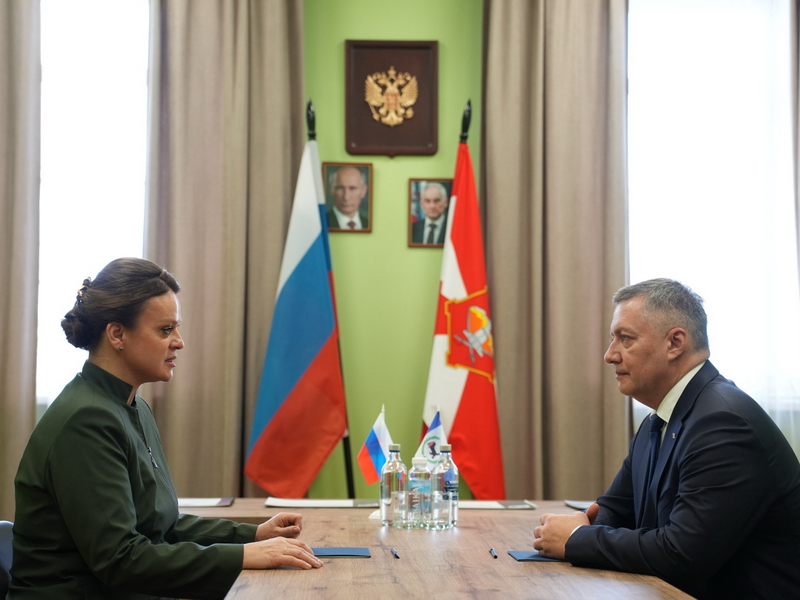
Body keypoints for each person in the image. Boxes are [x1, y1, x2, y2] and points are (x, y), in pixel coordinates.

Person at [11, 258, 322, 599]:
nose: (179, 342)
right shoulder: (86, 420)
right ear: (117, 334)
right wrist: (243, 556)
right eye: (165, 330)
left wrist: (252, 536)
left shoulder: (131, 406)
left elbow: (162, 526)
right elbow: (120, 560)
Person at [533, 278, 800, 599]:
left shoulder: (723, 423)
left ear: (675, 343)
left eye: (625, 339)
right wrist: (585, 524)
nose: (610, 355)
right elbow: (616, 509)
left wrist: (576, 537)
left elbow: (682, 554)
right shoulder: (659, 419)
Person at [326, 165, 369, 230]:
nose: (346, 197)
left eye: (353, 188)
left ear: (363, 191)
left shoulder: (368, 223)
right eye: (340, 188)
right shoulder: (321, 224)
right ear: (331, 190)